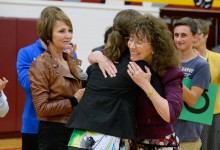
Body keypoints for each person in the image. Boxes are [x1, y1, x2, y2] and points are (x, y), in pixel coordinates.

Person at [86, 13, 184, 149]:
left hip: (158, 142)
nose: (132, 46)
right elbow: (93, 56)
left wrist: (145, 85)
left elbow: (171, 115)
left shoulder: (170, 72)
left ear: (155, 46)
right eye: (130, 39)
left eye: (139, 42)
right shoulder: (129, 59)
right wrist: (100, 57)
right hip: (127, 140)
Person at [66, 9, 146, 150]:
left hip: (79, 138)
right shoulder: (137, 66)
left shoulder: (97, 63)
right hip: (109, 136)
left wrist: (96, 56)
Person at [16, 6, 79, 150]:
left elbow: (73, 89)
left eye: (70, 30)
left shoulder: (69, 56)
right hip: (35, 125)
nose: (68, 35)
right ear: (48, 31)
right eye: (62, 31)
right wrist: (51, 70)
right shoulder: (29, 54)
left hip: (68, 124)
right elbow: (28, 85)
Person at [173, 17, 211, 150]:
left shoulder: (201, 65)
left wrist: (174, 77)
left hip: (186, 135)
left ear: (194, 37)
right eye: (176, 35)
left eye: (183, 35)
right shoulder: (169, 61)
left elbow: (193, 100)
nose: (178, 39)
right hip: (164, 131)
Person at [193, 18, 220, 150]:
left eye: (198, 33)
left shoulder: (218, 58)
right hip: (187, 112)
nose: (194, 37)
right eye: (192, 33)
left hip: (213, 113)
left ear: (206, 35)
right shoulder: (180, 59)